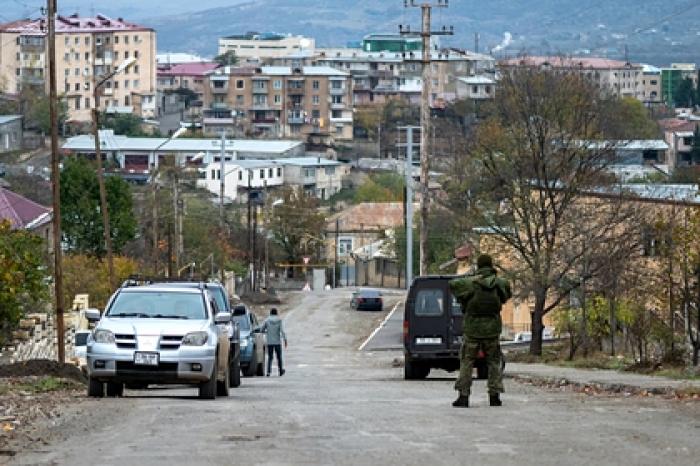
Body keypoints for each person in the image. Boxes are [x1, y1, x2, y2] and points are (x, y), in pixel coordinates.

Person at [449, 254, 511, 408]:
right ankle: (494, 396)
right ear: (490, 265)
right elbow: (506, 295)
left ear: (478, 265)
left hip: (472, 328)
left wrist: (470, 276)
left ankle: (463, 396)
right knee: (494, 362)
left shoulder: (470, 283)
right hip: (492, 327)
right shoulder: (499, 283)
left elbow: (452, 284)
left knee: (467, 361)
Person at [261, 308, 287, 376]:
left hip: (269, 342)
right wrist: (285, 339)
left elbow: (262, 329)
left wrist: (265, 332)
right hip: (277, 342)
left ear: (270, 313)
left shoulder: (267, 320)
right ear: (276, 313)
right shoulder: (279, 320)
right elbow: (282, 331)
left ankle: (268, 372)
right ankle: (280, 370)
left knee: (270, 357)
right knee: (279, 357)